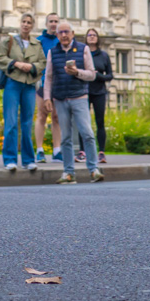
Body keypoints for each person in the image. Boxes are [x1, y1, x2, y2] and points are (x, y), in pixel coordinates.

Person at [42, 21, 103, 183]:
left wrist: (77, 72)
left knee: (87, 134)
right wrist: (47, 97)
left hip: (79, 97)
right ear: (57, 35)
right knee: (66, 138)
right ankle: (68, 172)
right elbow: (48, 77)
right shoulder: (52, 52)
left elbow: (92, 74)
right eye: (60, 33)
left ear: (73, 33)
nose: (64, 35)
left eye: (66, 32)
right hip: (60, 99)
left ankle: (94, 169)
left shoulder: (83, 49)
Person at [0, 13, 44, 172]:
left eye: (29, 22)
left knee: (27, 123)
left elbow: (43, 62)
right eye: (24, 21)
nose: (26, 25)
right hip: (12, 84)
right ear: (20, 23)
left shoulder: (37, 44)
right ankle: (10, 159)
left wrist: (32, 67)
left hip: (29, 85)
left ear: (32, 25)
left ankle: (29, 160)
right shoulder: (9, 41)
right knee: (10, 122)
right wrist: (15, 63)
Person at [34, 12, 62, 165]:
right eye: (51, 21)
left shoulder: (62, 40)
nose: (53, 24)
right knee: (41, 116)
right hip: (42, 84)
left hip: (58, 85)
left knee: (57, 117)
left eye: (56, 21)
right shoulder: (38, 41)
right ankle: (39, 150)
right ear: (46, 24)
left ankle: (57, 151)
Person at [85, 28, 114, 165]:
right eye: (89, 35)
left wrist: (98, 76)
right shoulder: (83, 54)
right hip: (84, 91)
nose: (91, 37)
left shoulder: (103, 55)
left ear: (97, 38)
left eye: (94, 35)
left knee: (99, 122)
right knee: (84, 123)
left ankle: (101, 152)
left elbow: (110, 76)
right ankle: (83, 152)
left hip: (99, 92)